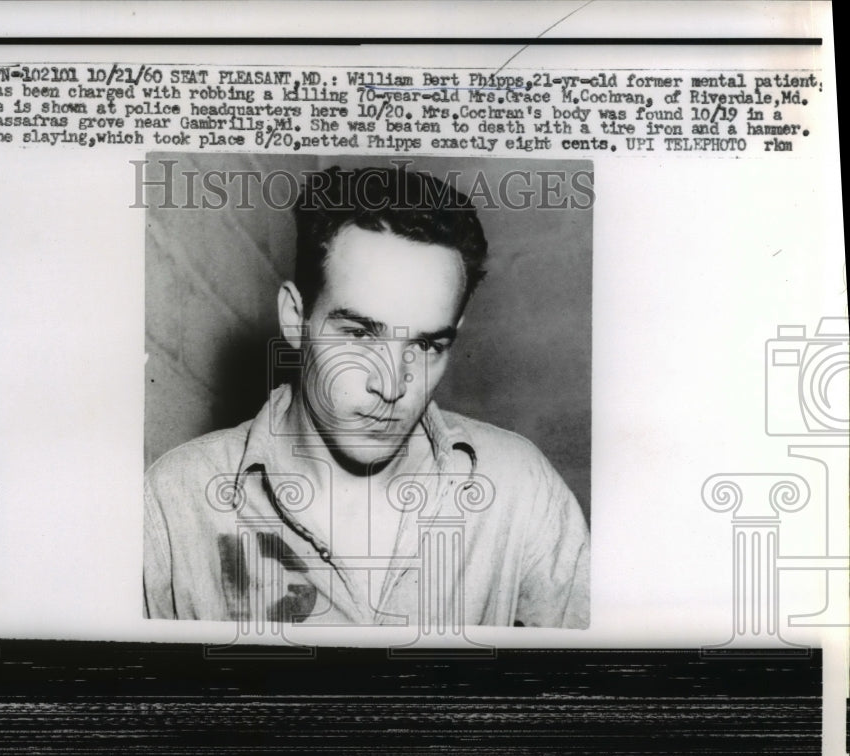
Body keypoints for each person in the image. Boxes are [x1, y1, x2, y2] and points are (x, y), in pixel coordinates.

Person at [144, 165, 589, 628]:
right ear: (295, 319)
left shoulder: (520, 490)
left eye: (425, 345)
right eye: (359, 334)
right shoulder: (175, 504)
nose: (392, 385)